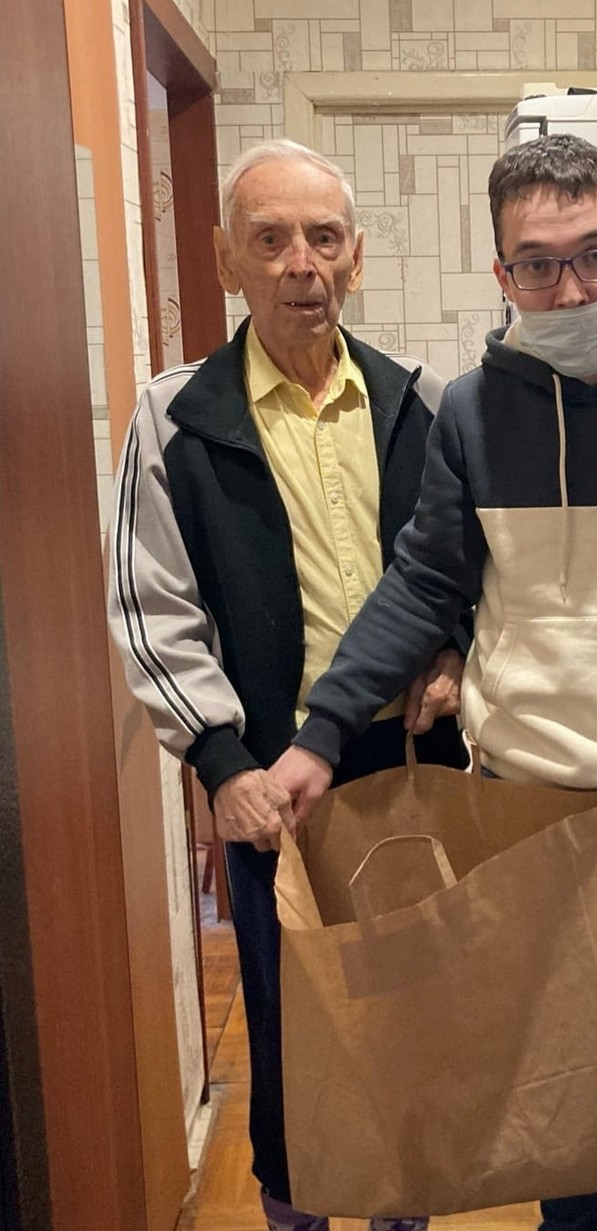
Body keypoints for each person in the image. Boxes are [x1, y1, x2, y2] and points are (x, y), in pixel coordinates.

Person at [270, 133, 597, 1231]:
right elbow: (425, 583)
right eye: (538, 264)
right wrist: (322, 731)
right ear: (501, 273)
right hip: (523, 818)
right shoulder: (472, 413)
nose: (570, 289)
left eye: (595, 256)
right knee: (566, 1096)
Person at [106, 139, 469, 1231]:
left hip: (407, 766)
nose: (299, 264)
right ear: (228, 260)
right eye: (269, 240)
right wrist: (221, 764)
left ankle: (403, 1212)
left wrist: (454, 655)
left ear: (354, 257)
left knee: (413, 1020)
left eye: (322, 238)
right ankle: (295, 1213)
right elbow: (149, 604)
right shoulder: (175, 417)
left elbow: (468, 571)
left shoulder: (420, 400)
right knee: (291, 1031)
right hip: (272, 782)